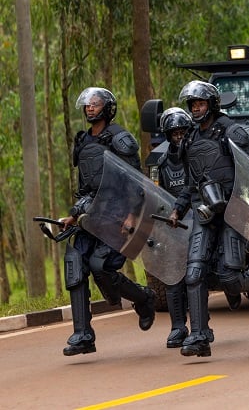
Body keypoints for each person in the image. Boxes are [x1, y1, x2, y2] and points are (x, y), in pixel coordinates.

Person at [167, 81, 249, 357]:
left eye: (200, 103)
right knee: (194, 273)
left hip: (233, 213)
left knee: (229, 278)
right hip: (204, 212)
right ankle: (199, 336)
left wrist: (242, 206)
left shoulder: (232, 132)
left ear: (211, 104)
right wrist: (178, 209)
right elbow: (190, 183)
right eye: (193, 104)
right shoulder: (189, 139)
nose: (196, 108)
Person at [59, 87, 156, 356]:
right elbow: (85, 187)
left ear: (107, 108)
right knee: (75, 262)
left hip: (118, 214)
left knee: (100, 266)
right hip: (91, 216)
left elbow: (136, 182)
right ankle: (83, 335)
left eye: (96, 103)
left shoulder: (120, 139)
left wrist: (131, 215)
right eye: (88, 104)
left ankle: (144, 298)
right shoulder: (83, 141)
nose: (90, 107)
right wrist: (74, 215)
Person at [155, 107, 195, 349]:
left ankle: (200, 326)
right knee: (171, 276)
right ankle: (178, 327)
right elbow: (156, 194)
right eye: (174, 133)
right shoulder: (161, 164)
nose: (179, 137)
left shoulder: (197, 155)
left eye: (182, 132)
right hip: (173, 224)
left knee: (197, 273)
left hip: (200, 219)